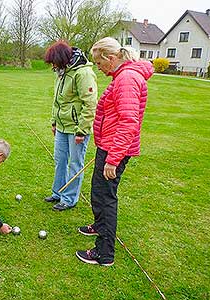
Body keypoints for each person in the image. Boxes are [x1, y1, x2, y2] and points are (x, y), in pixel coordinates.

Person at [75, 37, 153, 266]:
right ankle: (98, 226)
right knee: (98, 192)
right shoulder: (122, 76)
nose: (98, 68)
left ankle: (104, 253)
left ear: (111, 58)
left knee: (105, 197)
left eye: (99, 63)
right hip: (109, 146)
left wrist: (113, 159)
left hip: (114, 149)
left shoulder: (127, 79)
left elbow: (129, 122)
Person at [43, 41, 98, 211]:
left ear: (61, 59)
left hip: (77, 129)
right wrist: (54, 121)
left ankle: (69, 198)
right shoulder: (61, 72)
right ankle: (58, 192)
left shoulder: (83, 73)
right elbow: (57, 101)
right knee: (60, 161)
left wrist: (81, 130)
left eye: (54, 62)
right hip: (61, 127)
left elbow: (90, 104)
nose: (53, 66)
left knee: (75, 163)